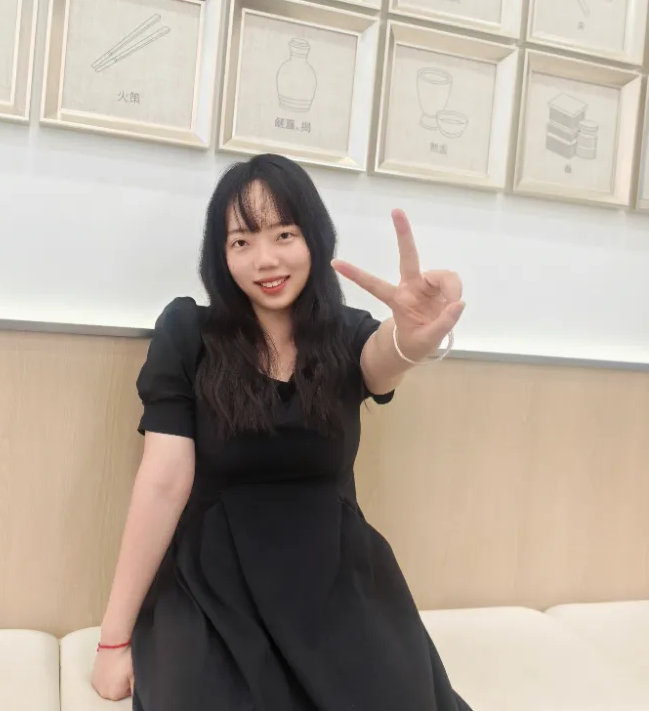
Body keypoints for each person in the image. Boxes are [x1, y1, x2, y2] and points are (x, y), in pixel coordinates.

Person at [91, 153, 469, 710]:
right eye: (241, 241)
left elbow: (383, 359)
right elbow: (163, 483)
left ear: (314, 237)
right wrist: (113, 639)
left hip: (338, 583)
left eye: (284, 234)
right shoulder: (188, 332)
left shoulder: (346, 335)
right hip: (212, 587)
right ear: (220, 254)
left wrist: (414, 338)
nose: (265, 259)